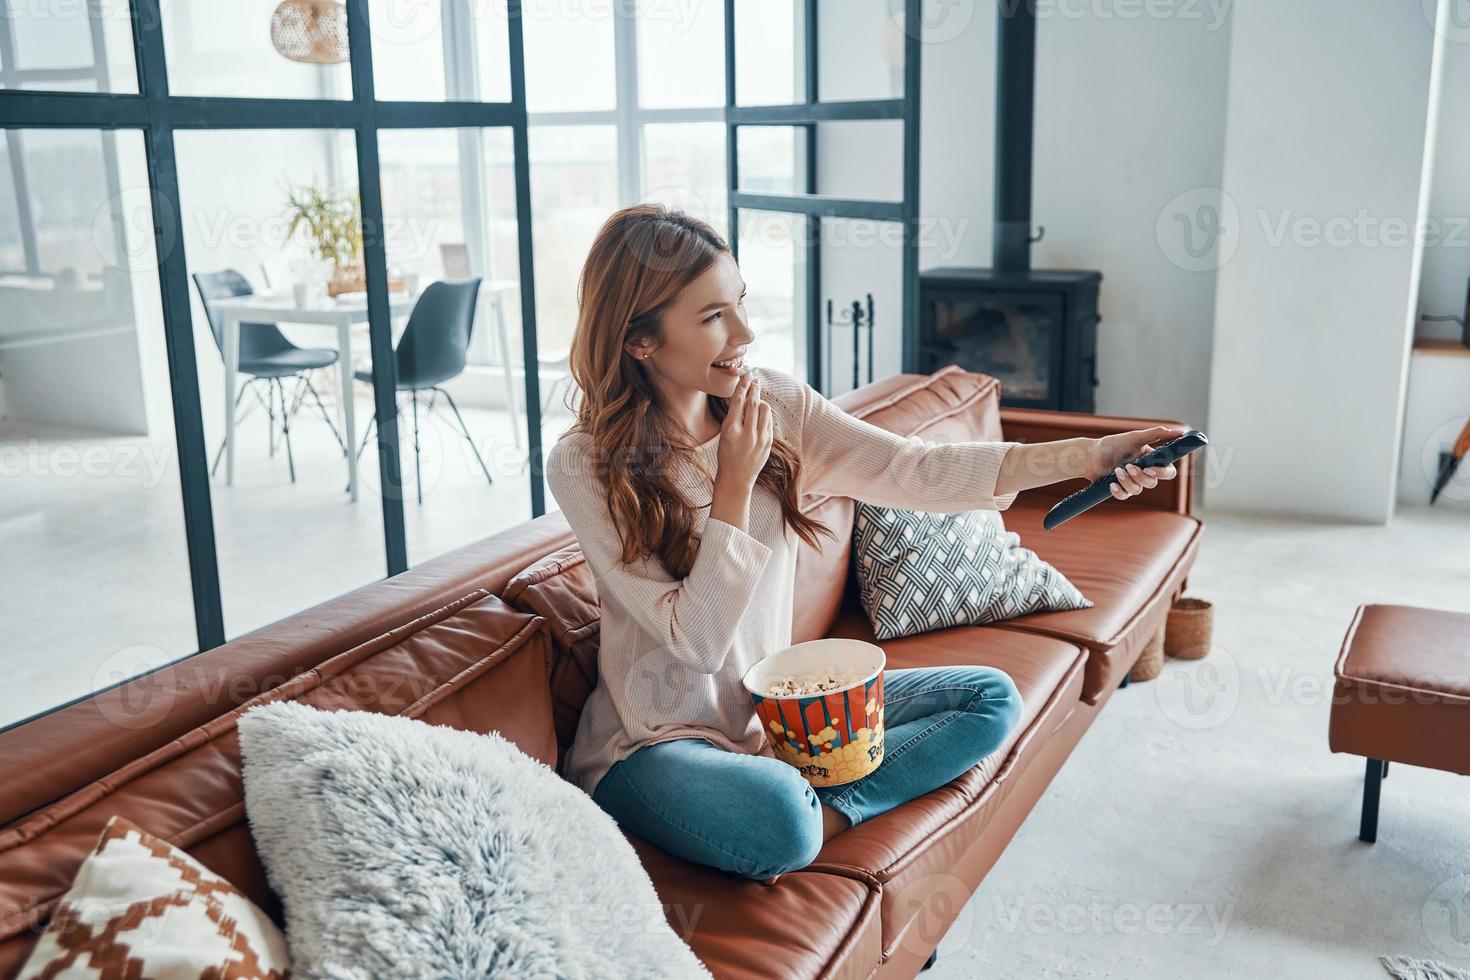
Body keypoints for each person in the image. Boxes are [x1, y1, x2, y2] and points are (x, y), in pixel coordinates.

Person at [543, 203, 1183, 883]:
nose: (745, 332)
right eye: (711, 318)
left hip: (771, 715)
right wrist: (734, 486)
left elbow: (917, 468)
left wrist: (1088, 455)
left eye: (739, 304)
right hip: (654, 745)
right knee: (782, 821)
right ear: (641, 340)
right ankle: (800, 802)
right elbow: (696, 643)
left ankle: (822, 801)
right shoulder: (586, 465)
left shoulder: (777, 406)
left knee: (991, 699)